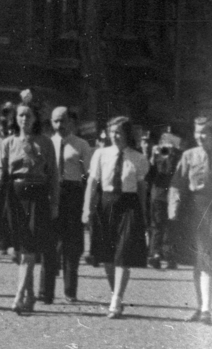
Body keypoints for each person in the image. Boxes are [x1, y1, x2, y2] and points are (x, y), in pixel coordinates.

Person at [0, 101, 59, 314]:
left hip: (37, 195)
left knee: (29, 248)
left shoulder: (45, 143)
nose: (24, 119)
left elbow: (53, 175)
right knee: (20, 248)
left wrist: (54, 203)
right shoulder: (8, 143)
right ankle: (30, 296)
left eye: (28, 115)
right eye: (20, 115)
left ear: (35, 118)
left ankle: (19, 295)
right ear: (15, 119)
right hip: (15, 195)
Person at [168, 115, 212, 323]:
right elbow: (176, 183)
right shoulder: (189, 156)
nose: (200, 136)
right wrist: (173, 208)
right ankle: (201, 307)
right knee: (198, 261)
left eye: (204, 133)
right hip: (193, 210)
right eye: (197, 132)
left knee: (206, 258)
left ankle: (206, 308)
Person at [84, 115, 149, 319]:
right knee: (107, 257)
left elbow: (141, 189)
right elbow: (92, 184)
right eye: (112, 132)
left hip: (129, 206)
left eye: (119, 132)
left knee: (123, 254)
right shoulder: (100, 154)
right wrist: (87, 209)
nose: (115, 136)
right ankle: (116, 295)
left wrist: (144, 214)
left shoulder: (138, 158)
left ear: (127, 134)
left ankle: (116, 300)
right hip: (105, 205)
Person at [40, 106, 92, 305]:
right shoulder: (46, 144)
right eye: (55, 121)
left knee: (72, 246)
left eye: (63, 120)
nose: (59, 125)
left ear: (71, 121)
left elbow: (88, 175)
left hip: (73, 195)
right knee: (48, 245)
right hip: (51, 194)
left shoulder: (81, 145)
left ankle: (70, 291)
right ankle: (46, 292)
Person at [145, 125, 182, 269]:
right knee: (158, 225)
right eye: (165, 137)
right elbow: (152, 174)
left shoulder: (178, 154)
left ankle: (170, 256)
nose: (167, 140)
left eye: (170, 137)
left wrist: (171, 154)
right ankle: (156, 254)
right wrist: (152, 157)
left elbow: (173, 170)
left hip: (173, 193)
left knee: (171, 225)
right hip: (159, 193)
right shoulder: (157, 153)